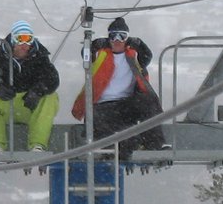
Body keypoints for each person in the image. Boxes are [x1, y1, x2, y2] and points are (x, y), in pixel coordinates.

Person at [70, 16, 168, 154]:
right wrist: (94, 44)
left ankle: (156, 143)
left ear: (127, 38)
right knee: (124, 138)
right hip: (101, 107)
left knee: (148, 100)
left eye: (122, 36)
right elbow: (86, 55)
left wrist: (139, 44)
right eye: (113, 36)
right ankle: (125, 144)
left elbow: (147, 56)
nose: (117, 41)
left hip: (125, 105)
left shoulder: (133, 57)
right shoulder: (101, 55)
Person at [0, 21, 60, 151]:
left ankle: (37, 144)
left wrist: (37, 92)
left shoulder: (39, 57)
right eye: (21, 39)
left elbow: (52, 79)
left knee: (51, 97)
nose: (25, 45)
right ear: (13, 40)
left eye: (29, 40)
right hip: (5, 107)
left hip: (28, 107)